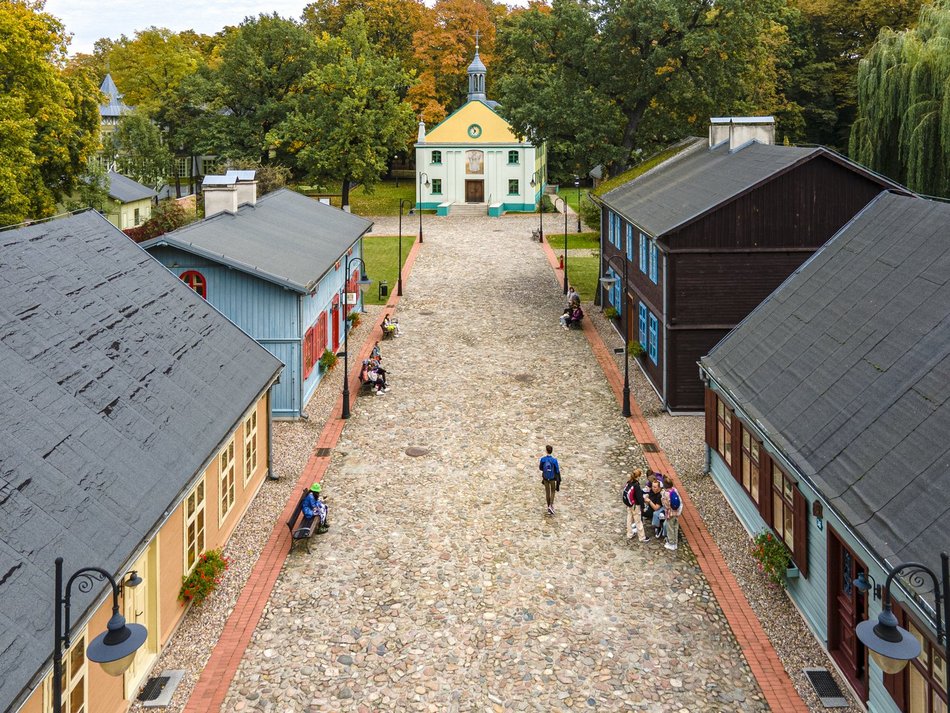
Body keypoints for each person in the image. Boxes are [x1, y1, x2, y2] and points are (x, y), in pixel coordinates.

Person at [622, 469, 647, 541]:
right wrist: (643, 506)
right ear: (638, 476)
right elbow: (639, 498)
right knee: (638, 520)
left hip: (629, 504)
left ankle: (629, 534)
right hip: (635, 505)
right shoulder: (636, 485)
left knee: (629, 518)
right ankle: (642, 537)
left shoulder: (629, 482)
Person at [538, 445, 561, 515]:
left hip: (545, 478)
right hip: (552, 478)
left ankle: (548, 507)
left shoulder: (543, 459)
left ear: (546, 451)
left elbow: (540, 468)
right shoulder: (554, 460)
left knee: (547, 492)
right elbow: (557, 470)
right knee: (553, 491)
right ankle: (551, 505)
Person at [665, 483, 683, 550]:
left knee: (670, 528)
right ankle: (675, 543)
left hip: (670, 514)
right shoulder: (675, 491)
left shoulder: (666, 494)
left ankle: (671, 543)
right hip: (676, 513)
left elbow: (666, 505)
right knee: (675, 527)